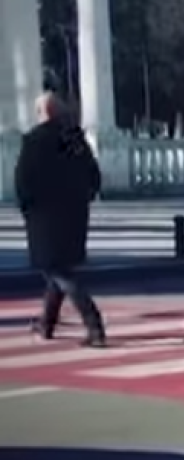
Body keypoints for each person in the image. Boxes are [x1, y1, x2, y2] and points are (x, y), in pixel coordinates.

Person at [15, 92, 106, 347]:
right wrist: (84, 198)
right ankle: (46, 323)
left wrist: (27, 208)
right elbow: (93, 174)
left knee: (57, 270)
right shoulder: (74, 138)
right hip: (74, 214)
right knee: (57, 269)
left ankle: (94, 324)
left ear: (43, 113)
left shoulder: (34, 140)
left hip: (45, 216)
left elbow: (24, 179)